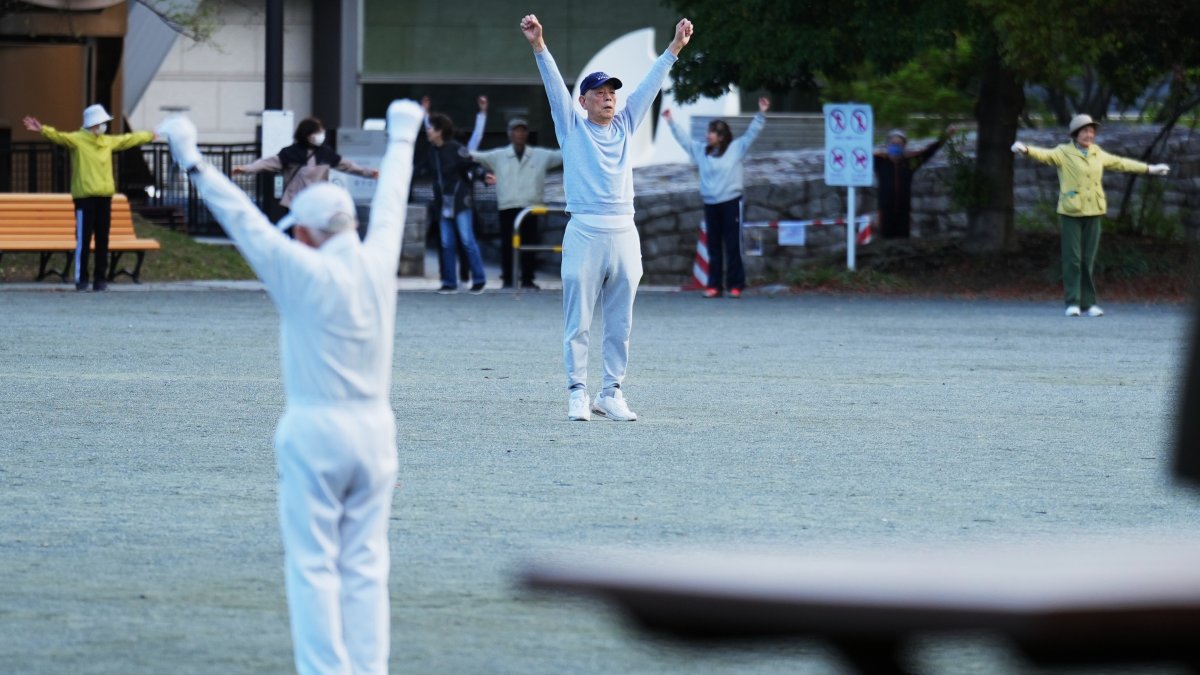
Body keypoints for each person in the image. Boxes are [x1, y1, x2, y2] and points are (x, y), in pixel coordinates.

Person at [155, 99, 423, 674]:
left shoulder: (300, 269)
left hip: (316, 428)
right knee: (367, 566)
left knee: (313, 566)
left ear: (304, 230)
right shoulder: (378, 260)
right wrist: (402, 136)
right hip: (377, 431)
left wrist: (191, 158)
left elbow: (241, 219)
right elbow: (394, 200)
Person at [522, 13, 692, 421]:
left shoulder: (626, 124)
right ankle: (577, 392)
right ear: (583, 101)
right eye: (598, 92)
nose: (608, 96)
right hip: (584, 228)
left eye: (611, 91)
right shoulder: (571, 127)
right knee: (577, 318)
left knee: (621, 322)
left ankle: (611, 391)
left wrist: (675, 49)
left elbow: (650, 87)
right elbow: (553, 89)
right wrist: (538, 45)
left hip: (624, 230)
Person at [1013, 114, 1170, 317]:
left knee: (1088, 259)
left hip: (1094, 210)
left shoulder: (1097, 153)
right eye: (1085, 131)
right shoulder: (1064, 152)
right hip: (1071, 212)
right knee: (1073, 259)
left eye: (1091, 131)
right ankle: (1072, 302)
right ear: (1076, 133)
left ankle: (1088, 303)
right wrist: (1025, 150)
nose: (1089, 135)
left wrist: (1150, 169)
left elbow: (1121, 163)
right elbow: (1044, 155)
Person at [23, 105, 156, 291]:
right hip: (84, 199)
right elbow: (59, 137)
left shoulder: (106, 142)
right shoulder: (78, 141)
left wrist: (148, 136)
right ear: (94, 124)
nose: (105, 126)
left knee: (103, 240)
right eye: (103, 123)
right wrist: (42, 129)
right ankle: (82, 278)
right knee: (83, 240)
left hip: (104, 197)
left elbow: (128, 139)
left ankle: (100, 279)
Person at [662, 97, 769, 298]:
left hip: (731, 203)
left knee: (732, 245)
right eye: (708, 131)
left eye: (712, 132)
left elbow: (751, 134)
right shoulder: (702, 152)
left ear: (721, 136)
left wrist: (761, 113)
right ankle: (714, 285)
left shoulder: (736, 149)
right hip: (710, 203)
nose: (707, 135)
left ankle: (735, 285)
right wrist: (671, 122)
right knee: (713, 246)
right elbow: (684, 141)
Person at [471, 117, 563, 289]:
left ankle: (528, 279)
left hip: (531, 207)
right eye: (515, 130)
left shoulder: (540, 155)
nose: (519, 134)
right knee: (507, 245)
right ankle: (507, 279)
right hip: (508, 206)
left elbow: (563, 155)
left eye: (522, 130)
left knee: (530, 244)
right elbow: (474, 156)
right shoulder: (498, 156)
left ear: (527, 134)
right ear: (509, 134)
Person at [233, 116, 378, 213]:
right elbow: (267, 163)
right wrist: (245, 169)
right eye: (318, 131)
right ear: (307, 134)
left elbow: (348, 166)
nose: (322, 133)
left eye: (321, 130)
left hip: (318, 203)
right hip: (296, 205)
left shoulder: (325, 153)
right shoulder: (291, 153)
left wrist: (370, 173)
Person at [420, 112, 488, 294]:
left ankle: (479, 279)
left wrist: (484, 176)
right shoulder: (431, 152)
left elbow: (472, 165)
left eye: (430, 128)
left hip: (460, 202)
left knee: (467, 240)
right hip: (442, 204)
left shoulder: (456, 149)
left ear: (440, 131)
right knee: (446, 243)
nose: (427, 131)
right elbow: (420, 170)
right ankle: (449, 282)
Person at [872, 126, 955, 239]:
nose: (896, 147)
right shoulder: (879, 162)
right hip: (885, 211)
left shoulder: (910, 163)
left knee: (903, 240)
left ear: (904, 146)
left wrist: (945, 136)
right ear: (887, 145)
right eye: (893, 144)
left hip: (903, 212)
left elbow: (929, 151)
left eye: (899, 144)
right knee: (885, 240)